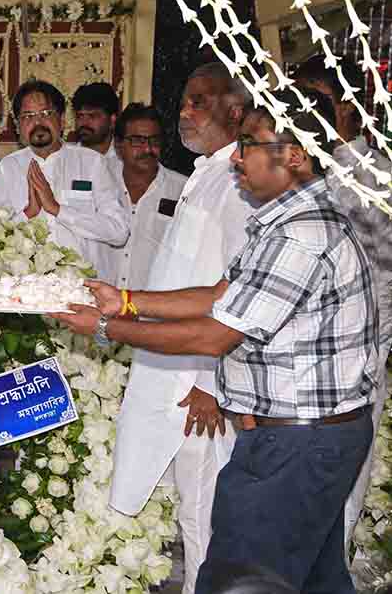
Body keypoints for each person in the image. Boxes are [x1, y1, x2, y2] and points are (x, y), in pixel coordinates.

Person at [52, 90, 377, 594]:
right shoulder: (286, 221)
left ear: (295, 155)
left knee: (236, 579)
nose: (239, 156)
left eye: (251, 143)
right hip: (301, 436)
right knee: (312, 579)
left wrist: (103, 327)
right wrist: (126, 301)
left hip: (297, 443)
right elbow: (219, 294)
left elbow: (215, 334)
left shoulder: (301, 233)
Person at [104, 62, 255, 594]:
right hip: (168, 370)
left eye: (200, 101)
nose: (186, 111)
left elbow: (236, 292)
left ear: (235, 111)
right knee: (179, 516)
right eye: (185, 101)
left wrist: (211, 384)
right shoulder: (205, 173)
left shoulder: (239, 180)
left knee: (203, 520)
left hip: (199, 385)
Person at [294, 54, 392, 550]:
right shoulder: (299, 166)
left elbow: (381, 278)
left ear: (350, 109)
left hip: (353, 362)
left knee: (341, 494)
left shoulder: (371, 177)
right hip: (295, 367)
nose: (306, 112)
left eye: (319, 102)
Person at [0, 80, 128, 274]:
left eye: (46, 114)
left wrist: (58, 209)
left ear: (62, 120)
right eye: (28, 116)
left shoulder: (92, 163)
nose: (37, 123)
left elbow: (118, 232)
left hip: (83, 290)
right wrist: (28, 213)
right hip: (27, 291)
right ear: (18, 125)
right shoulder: (8, 167)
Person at [101, 103, 187, 289]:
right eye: (138, 141)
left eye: (154, 141)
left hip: (153, 311)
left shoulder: (183, 190)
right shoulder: (100, 182)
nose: (148, 149)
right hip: (98, 305)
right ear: (118, 144)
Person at [71, 82, 121, 163]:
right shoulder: (65, 158)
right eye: (80, 116)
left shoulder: (124, 160)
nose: (84, 123)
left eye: (92, 116)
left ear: (112, 120)